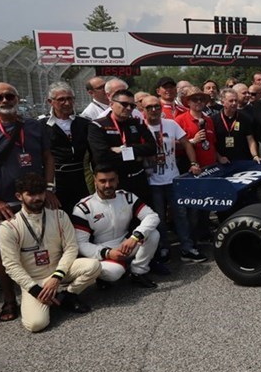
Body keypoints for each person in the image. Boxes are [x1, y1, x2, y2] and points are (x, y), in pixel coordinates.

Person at [0, 82, 59, 323]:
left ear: (17, 98)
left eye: (9, 96)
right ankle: (9, 300)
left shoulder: (34, 126)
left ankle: (48, 288)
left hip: (36, 198)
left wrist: (49, 188)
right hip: (4, 202)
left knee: (44, 241)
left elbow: (48, 157)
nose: (4, 100)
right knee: (6, 252)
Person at [0, 173, 100, 332]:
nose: (37, 198)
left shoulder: (60, 216)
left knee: (93, 266)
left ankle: (66, 295)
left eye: (40, 193)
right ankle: (53, 296)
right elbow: (11, 265)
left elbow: (71, 248)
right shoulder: (9, 227)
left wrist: (56, 277)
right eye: (31, 194)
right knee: (36, 324)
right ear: (19, 196)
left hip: (59, 273)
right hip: (34, 281)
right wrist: (36, 291)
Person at [72, 167, 161, 289]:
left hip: (126, 244)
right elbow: (80, 244)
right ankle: (108, 273)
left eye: (111, 180)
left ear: (117, 180)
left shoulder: (127, 197)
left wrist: (135, 237)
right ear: (95, 181)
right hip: (102, 250)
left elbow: (152, 216)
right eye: (103, 181)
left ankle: (138, 272)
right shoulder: (84, 207)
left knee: (153, 234)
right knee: (114, 274)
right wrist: (107, 253)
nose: (108, 185)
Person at [142, 96, 206, 264]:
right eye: (149, 107)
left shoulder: (170, 124)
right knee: (159, 217)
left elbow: (186, 143)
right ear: (143, 109)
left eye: (157, 106)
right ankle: (164, 248)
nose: (154, 110)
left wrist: (193, 163)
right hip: (152, 181)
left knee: (181, 214)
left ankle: (187, 248)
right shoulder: (140, 126)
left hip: (173, 178)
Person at [88, 89, 157, 201]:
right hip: (114, 182)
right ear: (111, 104)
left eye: (132, 106)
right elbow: (102, 156)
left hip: (138, 180)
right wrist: (136, 155)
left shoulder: (137, 123)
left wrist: (124, 150)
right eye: (124, 104)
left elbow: (152, 148)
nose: (129, 108)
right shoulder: (97, 125)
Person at [44, 82, 91, 214]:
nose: (67, 103)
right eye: (61, 99)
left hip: (82, 178)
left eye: (70, 99)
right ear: (50, 102)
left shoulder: (84, 123)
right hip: (57, 179)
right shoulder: (42, 125)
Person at [213, 88, 261, 162]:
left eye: (236, 100)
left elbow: (250, 139)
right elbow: (211, 143)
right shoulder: (214, 120)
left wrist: (255, 155)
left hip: (242, 159)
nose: (234, 103)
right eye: (231, 101)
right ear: (223, 102)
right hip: (223, 161)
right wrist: (219, 158)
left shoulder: (244, 118)